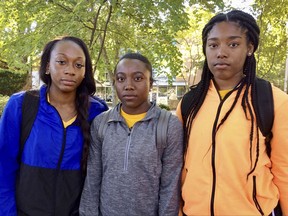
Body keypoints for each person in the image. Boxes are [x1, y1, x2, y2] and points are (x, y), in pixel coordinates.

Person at [176, 10, 288, 215]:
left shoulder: (272, 100)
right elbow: (179, 167)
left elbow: (284, 171)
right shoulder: (189, 104)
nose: (221, 52)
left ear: (250, 48)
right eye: (213, 45)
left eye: (233, 44)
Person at [0, 36, 108, 215]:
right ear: (48, 66)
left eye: (78, 65)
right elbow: (3, 168)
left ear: (85, 72)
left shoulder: (97, 111)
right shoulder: (21, 105)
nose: (70, 70)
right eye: (61, 62)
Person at [80, 52, 183, 216]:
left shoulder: (168, 125)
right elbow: (93, 179)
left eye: (138, 78)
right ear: (114, 83)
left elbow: (170, 186)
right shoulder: (101, 124)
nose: (128, 86)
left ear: (151, 83)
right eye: (121, 79)